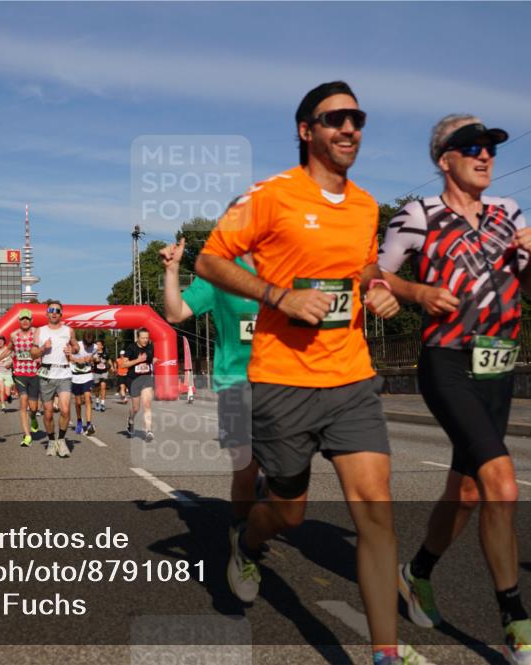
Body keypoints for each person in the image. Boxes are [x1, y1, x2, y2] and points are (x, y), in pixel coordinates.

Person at [195, 81, 410, 665]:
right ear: (306, 130)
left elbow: (363, 267)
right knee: (289, 512)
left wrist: (378, 288)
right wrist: (279, 296)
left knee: (376, 509)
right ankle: (247, 539)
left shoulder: (365, 205)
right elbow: (209, 258)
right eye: (335, 119)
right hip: (283, 380)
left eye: (357, 119)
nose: (349, 128)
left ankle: (386, 653)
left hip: (351, 378)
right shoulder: (270, 195)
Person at [378, 115, 531, 665]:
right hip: (447, 362)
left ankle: (416, 574)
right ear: (444, 159)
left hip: (499, 364)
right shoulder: (418, 215)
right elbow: (371, 275)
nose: (484, 156)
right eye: (471, 147)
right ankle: (516, 622)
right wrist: (417, 293)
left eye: (490, 149)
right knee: (502, 482)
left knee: (472, 490)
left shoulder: (509, 213)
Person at [161, 236, 262, 542]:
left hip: (285, 381)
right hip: (236, 383)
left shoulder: (291, 266)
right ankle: (242, 540)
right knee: (245, 468)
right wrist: (172, 270)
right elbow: (175, 313)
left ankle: (266, 495)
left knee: (288, 475)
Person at [30, 299, 78, 458]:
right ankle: (51, 441)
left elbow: (76, 346)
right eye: (51, 310)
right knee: (48, 413)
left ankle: (61, 440)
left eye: (57, 310)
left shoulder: (68, 330)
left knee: (65, 410)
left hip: (64, 373)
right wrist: (43, 348)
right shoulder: (40, 331)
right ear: (47, 313)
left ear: (61, 313)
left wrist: (72, 349)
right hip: (47, 374)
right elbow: (33, 354)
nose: (54, 313)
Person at [118, 328, 156, 442]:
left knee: (147, 404)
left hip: (146, 378)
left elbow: (151, 359)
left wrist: (154, 361)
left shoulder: (150, 347)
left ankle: (148, 431)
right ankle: (131, 420)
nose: (145, 340)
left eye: (147, 338)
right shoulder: (131, 348)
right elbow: (123, 364)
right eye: (143, 338)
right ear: (138, 338)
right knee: (135, 408)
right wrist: (138, 360)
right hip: (133, 379)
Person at [10, 308, 40, 447]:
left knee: (33, 407)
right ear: (19, 321)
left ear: (31, 320)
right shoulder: (13, 335)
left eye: (27, 318)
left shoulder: (37, 333)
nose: (25, 321)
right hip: (20, 373)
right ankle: (27, 436)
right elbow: (9, 349)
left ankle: (33, 417)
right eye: (23, 319)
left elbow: (44, 349)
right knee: (23, 400)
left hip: (34, 374)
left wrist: (40, 355)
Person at [71, 332, 97, 436]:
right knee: (78, 402)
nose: (87, 347)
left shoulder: (94, 347)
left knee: (87, 398)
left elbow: (96, 358)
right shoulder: (77, 346)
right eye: (86, 345)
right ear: (83, 341)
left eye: (89, 345)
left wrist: (92, 359)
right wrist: (77, 360)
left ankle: (89, 424)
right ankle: (79, 421)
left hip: (87, 376)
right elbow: (68, 357)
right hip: (75, 377)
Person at [0, 336, 14, 412]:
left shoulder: (8, 350)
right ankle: (3, 406)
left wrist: (10, 365)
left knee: (7, 393)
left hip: (7, 373)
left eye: (2, 341)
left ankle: (9, 396)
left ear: (4, 342)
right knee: (1, 389)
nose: (0, 342)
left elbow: (13, 360)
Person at [92, 340, 110, 412]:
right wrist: (94, 360)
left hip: (104, 372)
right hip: (96, 372)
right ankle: (97, 402)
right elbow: (91, 360)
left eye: (99, 344)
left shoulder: (106, 353)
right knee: (97, 388)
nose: (97, 346)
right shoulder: (93, 353)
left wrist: (112, 367)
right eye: (96, 344)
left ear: (102, 346)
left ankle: (102, 404)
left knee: (103, 387)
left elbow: (109, 360)